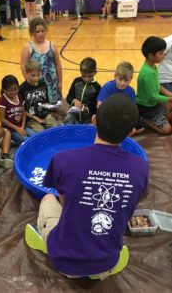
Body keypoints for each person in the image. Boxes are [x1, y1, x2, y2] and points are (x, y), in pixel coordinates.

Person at [27, 94, 149, 278]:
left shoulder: (63, 159)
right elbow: (128, 210)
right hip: (107, 262)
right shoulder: (140, 167)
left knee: (48, 198)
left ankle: (46, 241)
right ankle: (98, 271)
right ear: (132, 132)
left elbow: (64, 202)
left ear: (93, 121)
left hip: (62, 260)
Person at [21, 17, 62, 104]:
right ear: (32, 32)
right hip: (36, 85)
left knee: (55, 109)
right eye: (37, 32)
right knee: (40, 108)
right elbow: (24, 66)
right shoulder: (28, 47)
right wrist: (29, 82)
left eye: (43, 31)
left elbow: (58, 65)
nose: (41, 34)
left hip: (52, 83)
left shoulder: (52, 45)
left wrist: (60, 82)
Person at [136, 36, 172, 135]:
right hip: (146, 107)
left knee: (169, 114)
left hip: (154, 104)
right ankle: (145, 119)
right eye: (160, 53)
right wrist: (169, 99)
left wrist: (169, 94)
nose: (164, 55)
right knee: (167, 130)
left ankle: (158, 116)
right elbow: (152, 97)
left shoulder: (153, 67)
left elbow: (157, 85)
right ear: (151, 55)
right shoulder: (148, 73)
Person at [97, 61, 144, 134]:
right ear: (115, 77)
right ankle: (122, 134)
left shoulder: (131, 91)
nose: (122, 83)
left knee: (141, 127)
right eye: (120, 79)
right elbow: (99, 105)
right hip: (109, 116)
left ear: (131, 80)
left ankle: (120, 134)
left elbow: (132, 109)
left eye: (126, 80)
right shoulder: (108, 87)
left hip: (123, 117)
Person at [19, 59, 60, 132]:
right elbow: (23, 110)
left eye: (38, 75)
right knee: (41, 133)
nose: (36, 78)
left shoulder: (43, 84)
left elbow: (46, 102)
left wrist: (52, 107)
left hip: (45, 115)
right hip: (31, 119)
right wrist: (36, 118)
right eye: (33, 75)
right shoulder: (22, 89)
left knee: (56, 128)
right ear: (27, 73)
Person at [0, 75, 34, 146]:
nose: (14, 92)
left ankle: (17, 142)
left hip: (22, 127)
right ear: (4, 90)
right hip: (11, 130)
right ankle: (13, 141)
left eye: (16, 89)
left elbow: (23, 113)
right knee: (27, 141)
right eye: (10, 90)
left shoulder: (19, 97)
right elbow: (2, 119)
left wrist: (22, 127)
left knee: (35, 136)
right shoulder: (2, 100)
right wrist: (17, 129)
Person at [65, 57, 101, 124]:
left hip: (88, 119)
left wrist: (85, 108)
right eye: (83, 76)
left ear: (95, 72)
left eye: (89, 76)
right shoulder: (76, 81)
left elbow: (95, 107)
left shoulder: (97, 87)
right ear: (80, 72)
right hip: (74, 116)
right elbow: (69, 97)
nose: (86, 79)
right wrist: (74, 101)